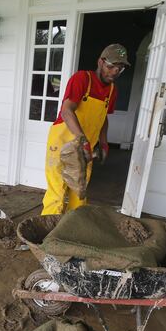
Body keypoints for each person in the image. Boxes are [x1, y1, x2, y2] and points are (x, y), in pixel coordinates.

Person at [41, 44, 129, 215]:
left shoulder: (112, 90)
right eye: (111, 66)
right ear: (100, 62)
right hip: (62, 144)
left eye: (119, 69)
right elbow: (67, 110)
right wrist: (82, 139)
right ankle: (47, 237)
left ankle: (72, 231)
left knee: (79, 193)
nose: (114, 72)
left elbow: (103, 118)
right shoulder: (82, 79)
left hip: (85, 148)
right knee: (57, 193)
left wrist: (103, 143)